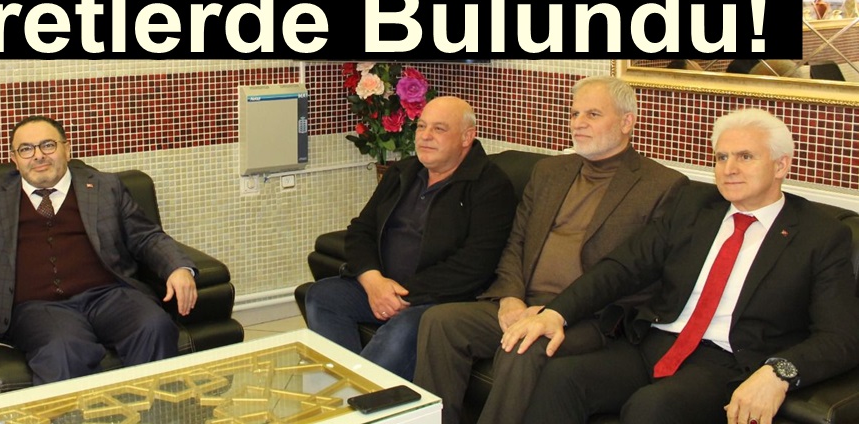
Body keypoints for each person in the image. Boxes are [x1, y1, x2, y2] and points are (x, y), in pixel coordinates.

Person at [504, 109, 859, 424]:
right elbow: (623, 267)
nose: (729, 169)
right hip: (656, 342)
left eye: (745, 157)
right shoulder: (693, 205)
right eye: (721, 157)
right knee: (561, 378)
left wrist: (778, 373)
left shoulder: (820, 235)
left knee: (652, 407)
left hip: (728, 362)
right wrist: (557, 312)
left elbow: (840, 337)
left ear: (781, 165)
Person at [412, 76, 687, 424]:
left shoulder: (661, 186)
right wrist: (510, 297)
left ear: (626, 121)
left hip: (588, 317)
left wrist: (556, 311)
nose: (578, 123)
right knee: (440, 322)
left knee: (524, 345)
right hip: (523, 303)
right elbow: (515, 241)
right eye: (574, 114)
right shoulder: (549, 171)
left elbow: (640, 276)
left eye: (592, 114)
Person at [0, 115, 197, 385]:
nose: (38, 156)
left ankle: (155, 414)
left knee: (154, 326)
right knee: (63, 349)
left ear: (67, 149)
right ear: (14, 158)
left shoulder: (105, 187)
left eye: (48, 145)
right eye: (26, 149)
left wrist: (177, 267)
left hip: (109, 295)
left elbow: (146, 236)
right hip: (39, 307)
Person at [304, 96, 517, 380]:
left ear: (467, 137)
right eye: (421, 126)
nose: (425, 136)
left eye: (439, 129)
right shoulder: (403, 172)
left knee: (403, 328)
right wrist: (373, 281)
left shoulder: (490, 186)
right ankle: (341, 386)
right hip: (383, 286)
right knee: (322, 296)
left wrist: (403, 294)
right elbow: (361, 230)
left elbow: (475, 265)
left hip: (439, 300)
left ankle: (357, 394)